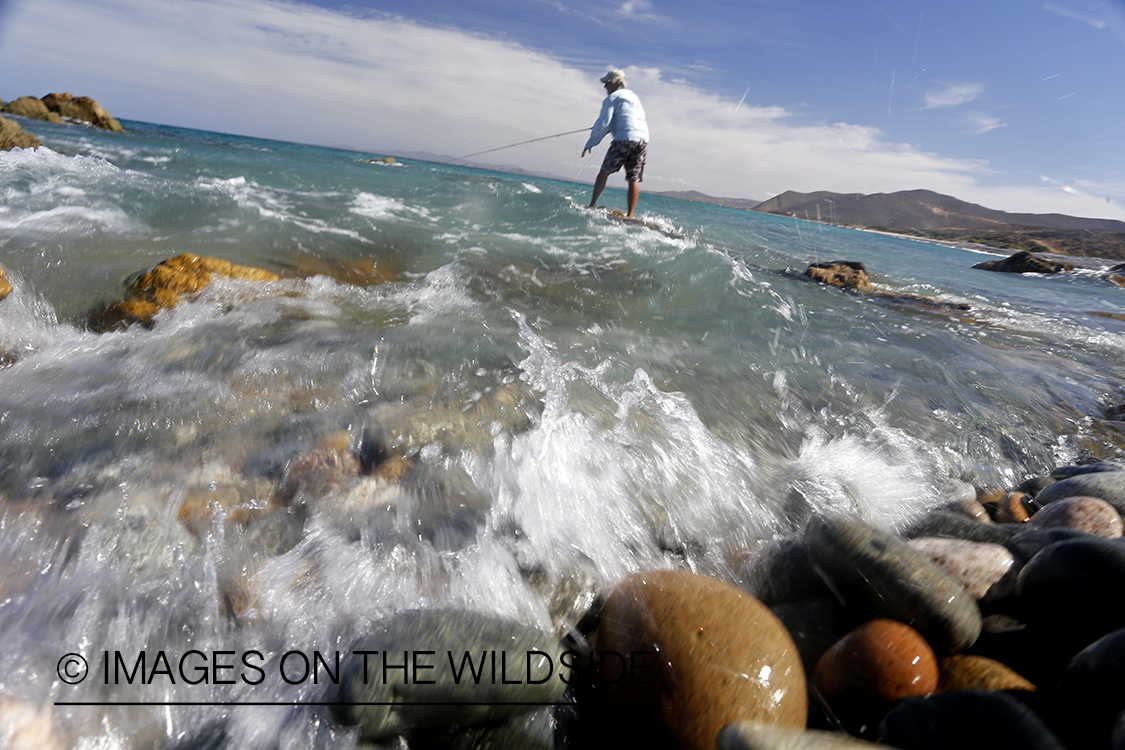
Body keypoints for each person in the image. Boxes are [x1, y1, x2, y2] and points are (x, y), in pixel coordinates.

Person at [582, 69, 649, 218]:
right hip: (642, 139)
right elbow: (626, 118)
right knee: (634, 178)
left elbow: (604, 122)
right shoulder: (634, 97)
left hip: (624, 138)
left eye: (607, 82)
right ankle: (630, 216)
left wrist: (590, 143)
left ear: (617, 82)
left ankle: (591, 205)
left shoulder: (612, 98)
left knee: (604, 172)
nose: (605, 86)